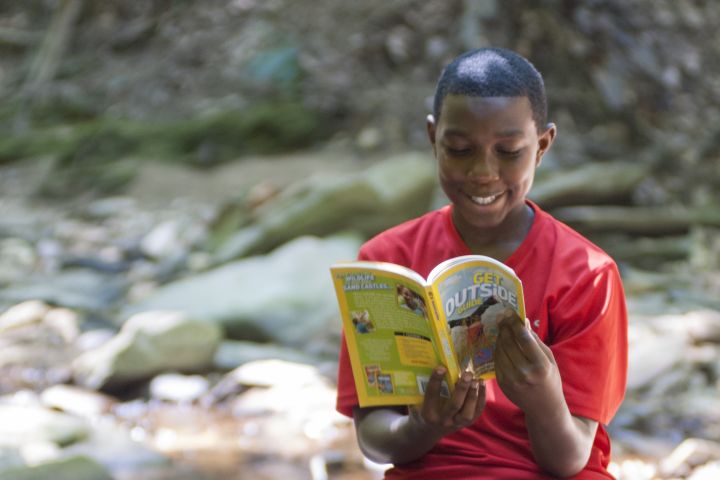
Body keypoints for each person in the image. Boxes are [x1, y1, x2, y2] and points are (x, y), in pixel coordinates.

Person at [335, 47, 628, 479]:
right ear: (433, 139)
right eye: (459, 149)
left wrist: (542, 397)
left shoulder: (586, 275)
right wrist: (424, 424)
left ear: (543, 145)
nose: (483, 172)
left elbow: (570, 460)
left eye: (508, 151)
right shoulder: (387, 261)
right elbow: (375, 439)